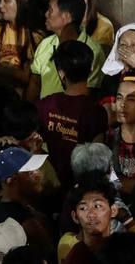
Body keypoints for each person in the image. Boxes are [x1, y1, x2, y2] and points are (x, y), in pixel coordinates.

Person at [35, 39, 107, 182]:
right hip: (80, 185)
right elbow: (98, 160)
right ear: (91, 69)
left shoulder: (45, 104)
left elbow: (32, 143)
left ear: (61, 73)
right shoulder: (97, 112)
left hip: (50, 181)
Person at [31, 0, 104, 99]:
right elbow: (35, 84)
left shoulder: (92, 51)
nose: (46, 14)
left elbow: (90, 93)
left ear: (66, 16)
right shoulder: (45, 44)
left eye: (50, 10)